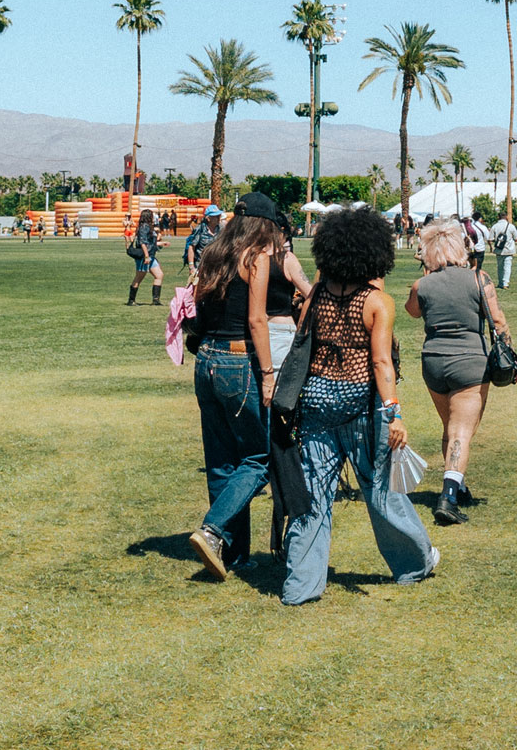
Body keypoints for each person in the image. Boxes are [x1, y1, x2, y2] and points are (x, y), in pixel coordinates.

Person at [281, 207, 438, 606]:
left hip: (315, 399)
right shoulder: (378, 302)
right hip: (359, 401)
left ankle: (301, 585)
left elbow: (302, 346)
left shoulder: (314, 296)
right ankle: (415, 563)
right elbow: (381, 362)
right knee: (380, 488)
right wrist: (394, 412)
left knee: (314, 495)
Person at [187, 198, 283, 579]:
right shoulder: (254, 257)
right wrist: (269, 373)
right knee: (258, 459)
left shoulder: (212, 253)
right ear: (262, 226)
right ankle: (212, 531)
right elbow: (257, 320)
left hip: (205, 359)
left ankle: (234, 553)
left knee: (222, 461)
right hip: (238, 360)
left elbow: (196, 305)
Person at [405, 219, 517, 525]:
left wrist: (428, 275)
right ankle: (448, 496)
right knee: (461, 431)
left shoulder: (422, 284)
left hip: (433, 361)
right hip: (470, 360)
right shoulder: (479, 279)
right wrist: (512, 360)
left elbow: (412, 310)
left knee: (450, 426)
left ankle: (459, 484)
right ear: (461, 247)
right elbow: (498, 322)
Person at [267, 208, 312, 373]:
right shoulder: (286, 259)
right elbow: (311, 294)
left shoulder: (248, 256)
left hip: (252, 331)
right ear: (282, 231)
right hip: (279, 330)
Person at [126, 208, 164, 307]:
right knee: (139, 277)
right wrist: (146, 256)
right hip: (145, 257)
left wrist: (160, 243)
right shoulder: (144, 227)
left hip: (151, 256)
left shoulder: (149, 227)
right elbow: (143, 242)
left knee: (159, 275)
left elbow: (150, 242)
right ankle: (131, 300)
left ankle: (156, 300)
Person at [183, 205, 222, 281]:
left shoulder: (221, 229)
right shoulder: (199, 230)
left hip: (217, 267)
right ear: (208, 218)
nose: (218, 218)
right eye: (216, 216)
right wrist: (191, 267)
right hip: (201, 266)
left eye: (219, 215)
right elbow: (191, 247)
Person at [489, 212, 517, 289]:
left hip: (499, 250)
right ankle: (505, 283)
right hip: (509, 249)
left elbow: (490, 239)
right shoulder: (511, 226)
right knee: (507, 266)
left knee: (500, 267)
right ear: (506, 217)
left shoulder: (495, 226)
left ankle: (500, 283)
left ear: (498, 217)